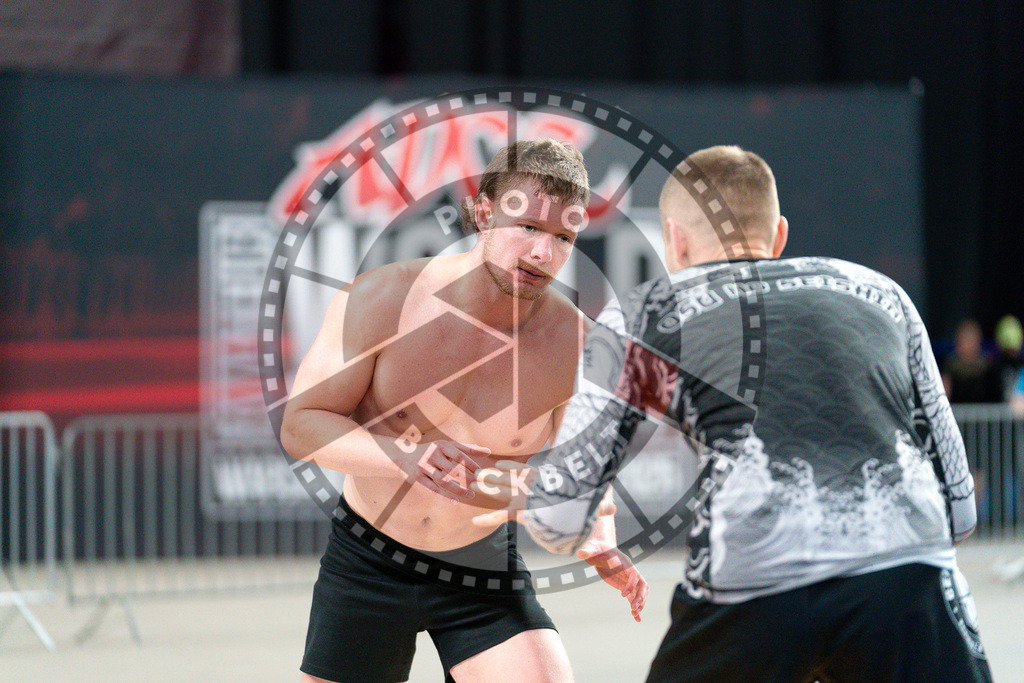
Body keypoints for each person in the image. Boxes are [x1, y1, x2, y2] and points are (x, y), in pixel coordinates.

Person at [493, 145, 992, 681]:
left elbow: (559, 520)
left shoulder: (643, 314)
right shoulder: (881, 293)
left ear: (674, 241)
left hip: (752, 587)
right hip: (910, 583)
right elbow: (960, 511)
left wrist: (489, 482)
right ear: (777, 235)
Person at [281, 138, 647, 683]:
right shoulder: (384, 299)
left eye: (562, 237)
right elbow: (301, 425)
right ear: (481, 213)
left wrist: (600, 531)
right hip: (369, 560)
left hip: (482, 567)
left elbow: (586, 468)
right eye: (527, 227)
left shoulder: (579, 346)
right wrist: (403, 455)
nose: (543, 253)